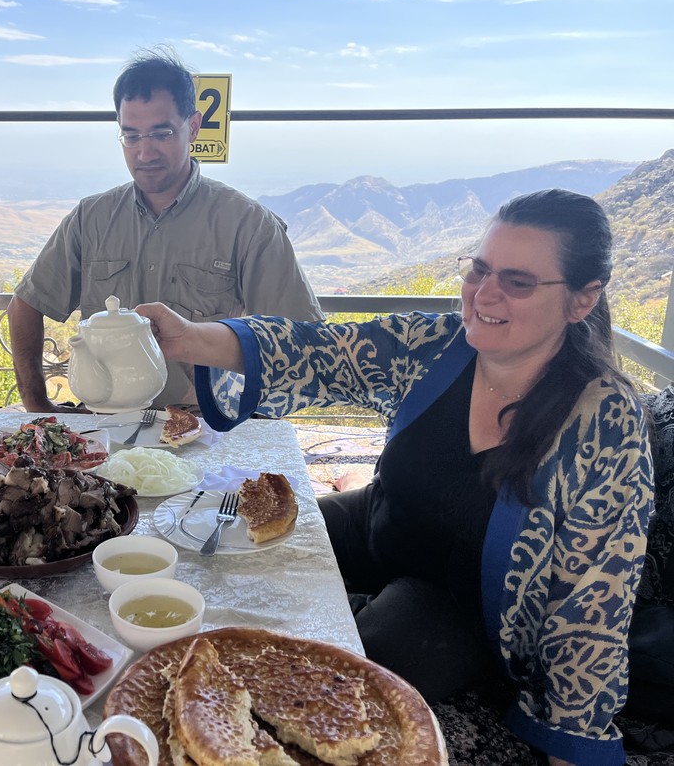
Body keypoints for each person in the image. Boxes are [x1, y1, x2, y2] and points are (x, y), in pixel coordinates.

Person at [136, 189, 654, 766]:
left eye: (518, 281)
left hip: (462, 604)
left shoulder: (605, 422)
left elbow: (595, 600)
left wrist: (572, 744)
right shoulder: (439, 345)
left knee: (340, 681)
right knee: (225, 552)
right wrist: (187, 337)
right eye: (479, 269)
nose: (485, 294)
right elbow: (323, 351)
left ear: (582, 299)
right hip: (380, 523)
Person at [7, 47, 322, 412]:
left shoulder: (249, 224)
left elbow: (301, 342)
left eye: (161, 133)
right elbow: (25, 304)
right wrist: (37, 403)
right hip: (103, 426)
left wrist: (254, 419)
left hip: (204, 427)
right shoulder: (90, 218)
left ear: (193, 127)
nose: (145, 153)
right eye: (131, 136)